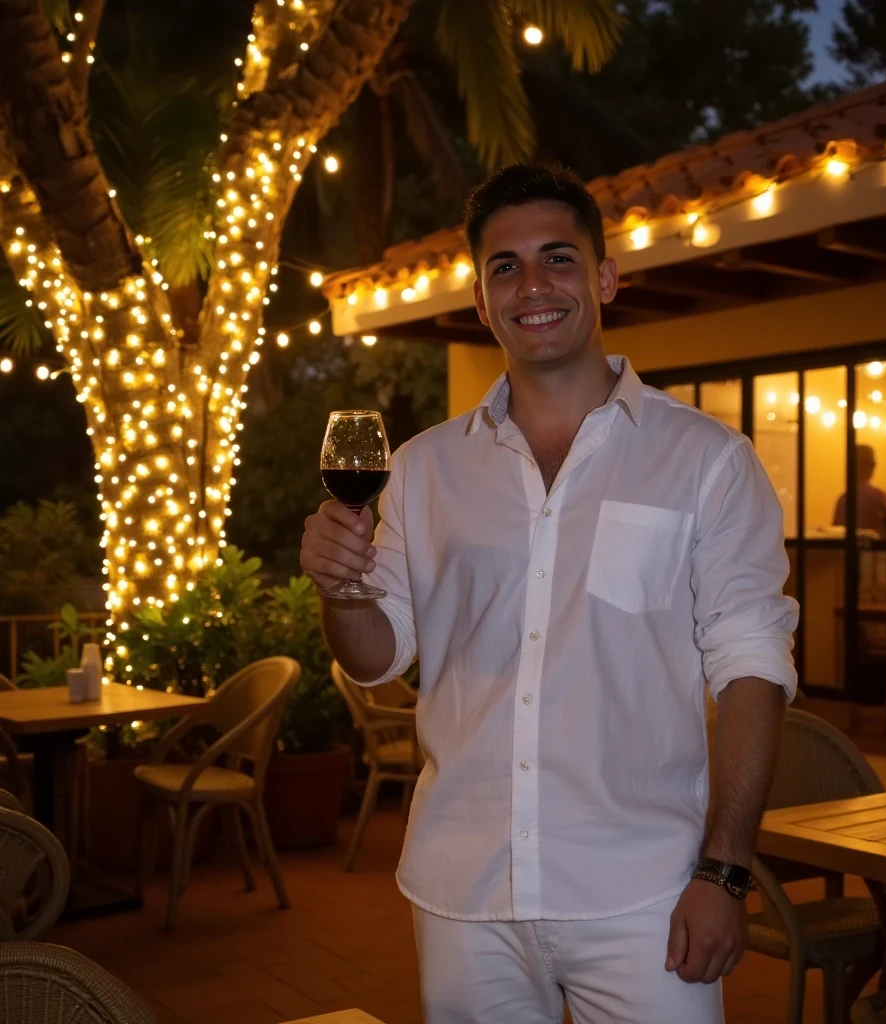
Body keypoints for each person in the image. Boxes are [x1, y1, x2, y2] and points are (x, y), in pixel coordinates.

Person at [300, 164, 799, 1024]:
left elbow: (752, 664)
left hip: (645, 893)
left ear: (604, 278)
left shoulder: (709, 461)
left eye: (558, 259)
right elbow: (379, 658)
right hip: (464, 890)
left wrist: (725, 870)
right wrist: (340, 590)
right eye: (506, 267)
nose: (533, 285)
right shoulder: (421, 467)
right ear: (484, 299)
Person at [833, 444, 886, 540]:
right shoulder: (880, 497)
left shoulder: (843, 500)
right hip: (879, 554)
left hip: (853, 554)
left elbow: (836, 535)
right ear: (870, 467)